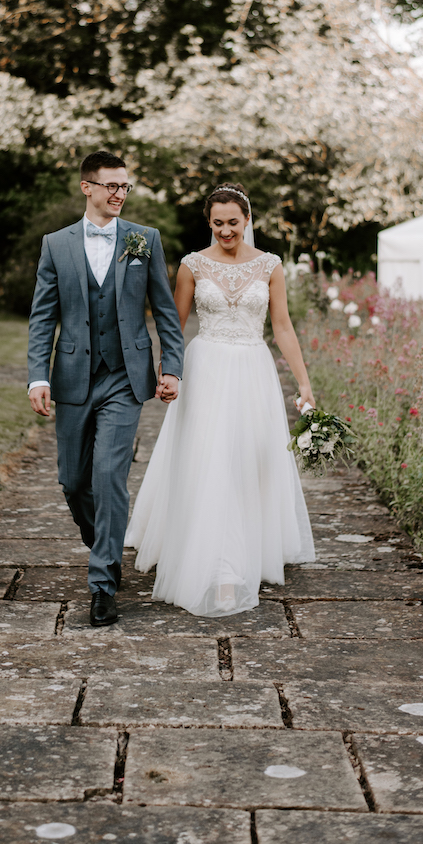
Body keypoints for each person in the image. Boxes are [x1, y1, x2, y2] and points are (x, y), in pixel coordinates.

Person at [125, 182, 316, 617]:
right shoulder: (192, 265)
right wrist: (168, 372)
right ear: (208, 223)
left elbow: (282, 327)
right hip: (206, 370)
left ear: (247, 220)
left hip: (253, 372)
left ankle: (247, 548)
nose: (226, 231)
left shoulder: (270, 265)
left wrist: (303, 382)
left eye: (233, 222)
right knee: (208, 460)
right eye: (217, 223)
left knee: (248, 460)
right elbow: (174, 325)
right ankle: (220, 567)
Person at [27, 150, 184, 627]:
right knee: (73, 481)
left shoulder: (144, 239)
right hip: (73, 377)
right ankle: (106, 543)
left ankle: (102, 584)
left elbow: (166, 310)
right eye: (111, 185)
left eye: (124, 186)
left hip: (125, 376)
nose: (119, 194)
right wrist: (38, 376)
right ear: (87, 187)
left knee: (109, 476)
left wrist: (172, 367)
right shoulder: (56, 245)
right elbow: (43, 317)